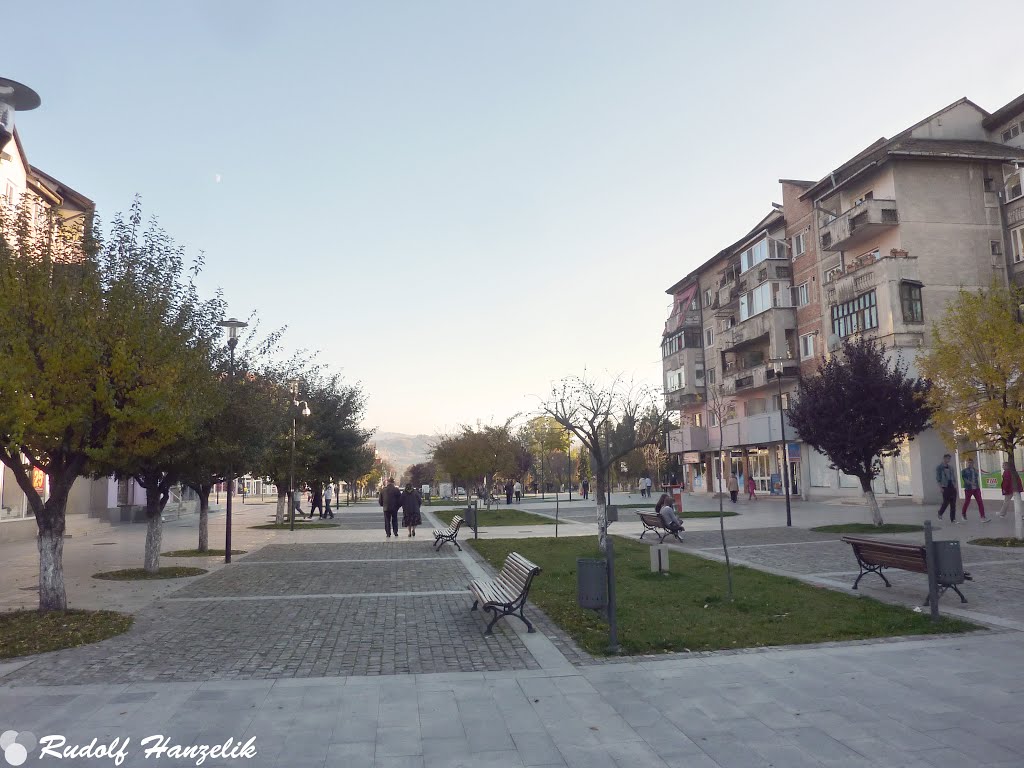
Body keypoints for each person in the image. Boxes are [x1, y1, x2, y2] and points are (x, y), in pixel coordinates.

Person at [960, 457, 988, 523]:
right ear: (967, 463)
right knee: (967, 502)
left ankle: (982, 516)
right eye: (968, 462)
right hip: (968, 489)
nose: (969, 464)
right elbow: (965, 479)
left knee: (980, 502)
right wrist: (971, 483)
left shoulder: (975, 470)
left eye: (971, 462)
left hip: (976, 488)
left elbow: (977, 477)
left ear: (973, 463)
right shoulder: (964, 471)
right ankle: (963, 514)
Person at [936, 454, 958, 523]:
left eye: (949, 459)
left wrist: (955, 485)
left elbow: (953, 477)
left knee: (953, 503)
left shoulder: (951, 467)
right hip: (945, 485)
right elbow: (938, 478)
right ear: (944, 458)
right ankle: (940, 513)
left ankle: (953, 519)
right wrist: (940, 487)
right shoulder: (939, 467)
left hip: (951, 485)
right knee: (946, 502)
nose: (948, 460)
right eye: (947, 458)